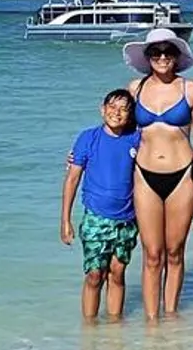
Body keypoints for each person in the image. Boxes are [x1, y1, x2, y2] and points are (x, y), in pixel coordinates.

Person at [125, 25, 193, 320]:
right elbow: (119, 131)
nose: (163, 57)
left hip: (183, 176)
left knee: (174, 251)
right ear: (148, 57)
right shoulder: (135, 89)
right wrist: (83, 155)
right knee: (152, 254)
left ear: (178, 56)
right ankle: (151, 323)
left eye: (169, 52)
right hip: (144, 176)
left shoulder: (190, 89)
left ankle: (171, 318)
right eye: (156, 52)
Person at [61, 87, 142, 322]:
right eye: (112, 107)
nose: (117, 113)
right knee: (95, 274)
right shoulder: (88, 138)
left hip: (127, 219)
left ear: (131, 114)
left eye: (124, 109)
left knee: (117, 273)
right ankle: (89, 328)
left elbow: (163, 149)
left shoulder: (136, 138)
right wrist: (65, 220)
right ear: (102, 109)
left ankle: (114, 328)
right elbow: (72, 178)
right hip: (96, 217)